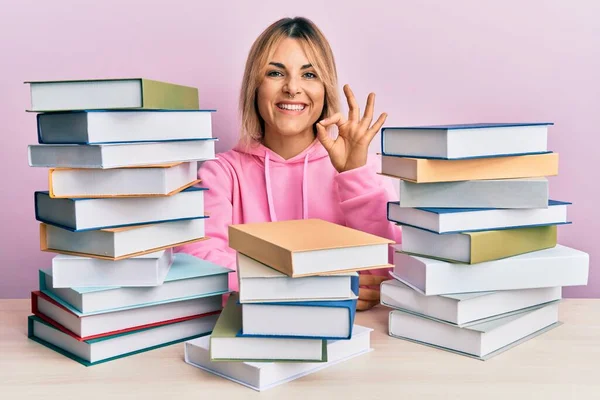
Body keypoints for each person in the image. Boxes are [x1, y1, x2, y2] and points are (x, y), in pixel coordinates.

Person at [177, 16, 402, 311]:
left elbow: (391, 271)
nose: (292, 88)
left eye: (309, 75)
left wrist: (354, 175)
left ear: (325, 89)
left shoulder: (361, 170)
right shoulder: (221, 174)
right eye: (275, 73)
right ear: (254, 87)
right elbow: (199, 262)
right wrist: (318, 287)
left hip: (354, 337)